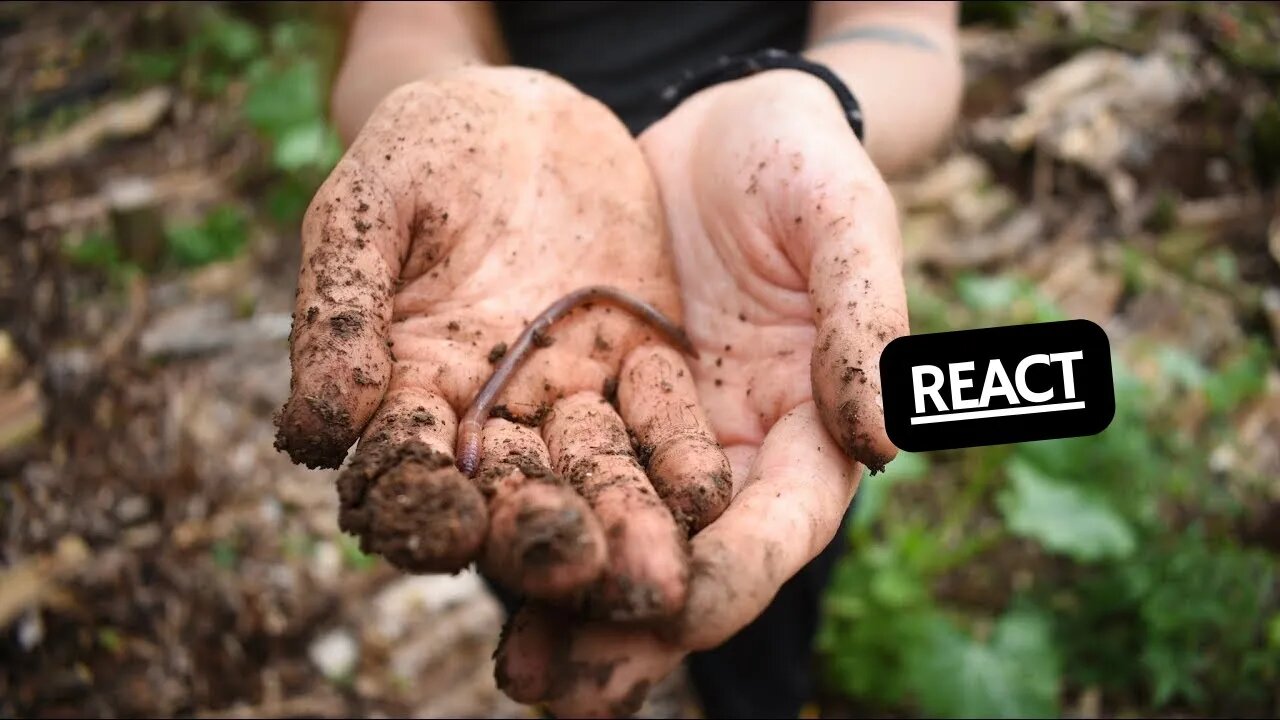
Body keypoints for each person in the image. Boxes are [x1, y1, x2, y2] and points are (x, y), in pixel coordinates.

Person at [274, 2, 962, 717]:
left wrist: (806, 98)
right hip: (505, 236)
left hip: (746, 304)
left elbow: (907, 34)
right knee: (547, 542)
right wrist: (439, 102)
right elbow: (402, 27)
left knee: (757, 581)